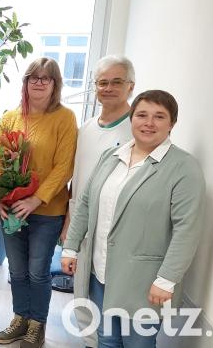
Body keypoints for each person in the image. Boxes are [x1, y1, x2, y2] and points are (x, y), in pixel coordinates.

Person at [61, 90, 205, 348]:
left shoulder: (183, 167)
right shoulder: (111, 156)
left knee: (138, 343)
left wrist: (167, 280)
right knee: (106, 341)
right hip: (101, 271)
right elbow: (86, 203)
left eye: (159, 116)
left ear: (172, 123)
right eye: (142, 115)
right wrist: (71, 247)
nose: (149, 123)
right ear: (131, 118)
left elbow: (187, 229)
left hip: (145, 281)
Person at [0, 57, 78, 348]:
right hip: (11, 209)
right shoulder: (10, 117)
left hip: (47, 211)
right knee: (16, 271)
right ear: (26, 82)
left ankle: (36, 325)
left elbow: (64, 167)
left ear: (55, 84)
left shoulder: (64, 118)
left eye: (46, 78)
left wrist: (35, 200)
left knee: (37, 272)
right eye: (33, 77)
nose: (39, 83)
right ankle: (20, 319)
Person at [61, 55, 136, 348]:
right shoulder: (88, 128)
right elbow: (78, 178)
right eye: (102, 83)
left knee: (109, 299)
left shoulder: (136, 129)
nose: (108, 88)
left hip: (115, 229)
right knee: (82, 293)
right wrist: (69, 223)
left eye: (116, 82)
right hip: (82, 224)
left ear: (130, 86)